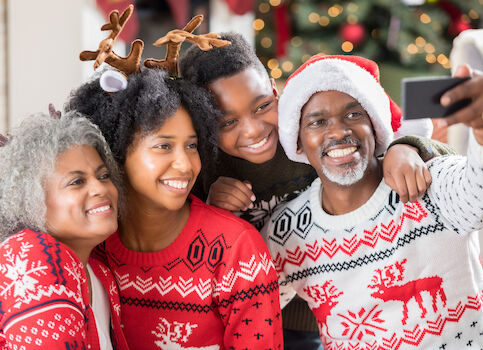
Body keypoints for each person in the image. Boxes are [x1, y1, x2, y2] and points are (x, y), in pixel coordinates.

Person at [179, 32, 454, 348]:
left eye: (262, 106)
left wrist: (405, 146)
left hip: (330, 312)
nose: (253, 129)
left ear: (275, 91)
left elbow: (407, 132)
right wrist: (214, 215)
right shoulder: (204, 166)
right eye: (227, 123)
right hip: (243, 319)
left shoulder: (310, 131)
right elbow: (191, 258)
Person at [65, 11, 283, 347]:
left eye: (192, 145)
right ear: (117, 153)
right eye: (163, 146)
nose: (185, 164)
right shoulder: (92, 247)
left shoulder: (237, 249)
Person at [262, 54, 483, 349]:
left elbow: (482, 195)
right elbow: (249, 305)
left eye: (353, 115)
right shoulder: (287, 232)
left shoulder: (429, 181)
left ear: (375, 124)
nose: (338, 132)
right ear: (297, 141)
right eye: (318, 122)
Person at [0, 112, 128, 350]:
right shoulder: (27, 255)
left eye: (103, 176)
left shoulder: (100, 275)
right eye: (77, 182)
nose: (100, 188)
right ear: (31, 201)